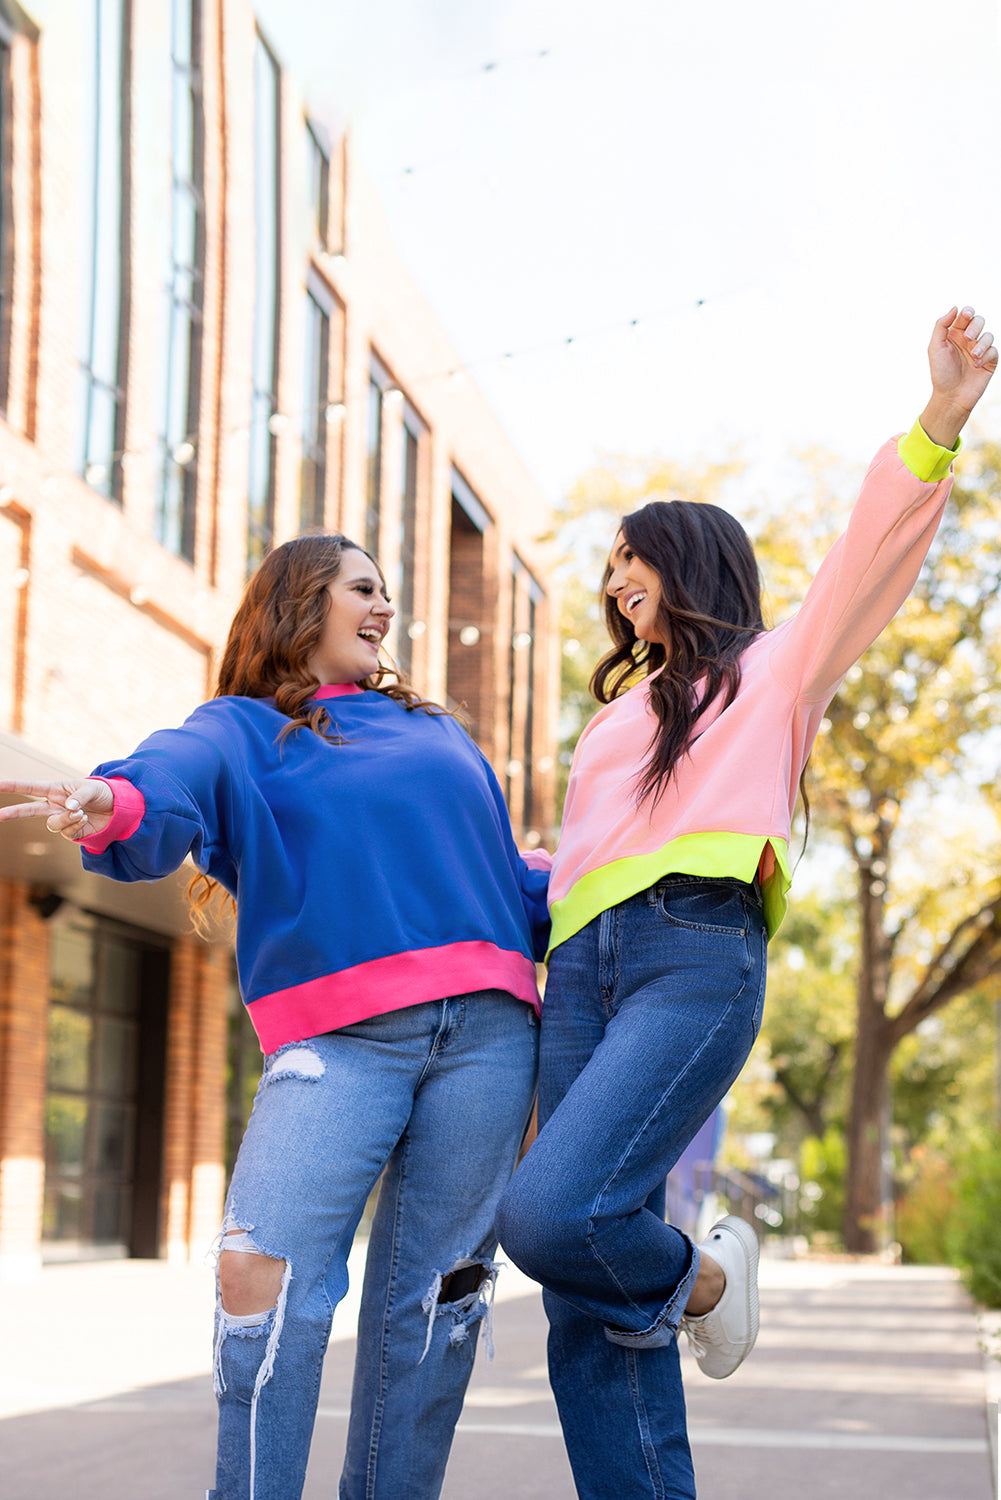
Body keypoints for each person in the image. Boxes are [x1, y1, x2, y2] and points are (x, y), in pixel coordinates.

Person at [496, 305, 997, 1499]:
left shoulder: (774, 671)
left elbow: (867, 552)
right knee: (580, 1301)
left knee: (551, 1215)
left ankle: (707, 1277)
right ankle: (678, 1337)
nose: (614, 579)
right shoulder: (615, 715)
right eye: (607, 564)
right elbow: (567, 872)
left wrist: (936, 419)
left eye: (631, 553)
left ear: (688, 557)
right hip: (579, 970)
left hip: (691, 955)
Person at [0, 533, 549, 1500]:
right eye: (364, 589)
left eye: (388, 593)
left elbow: (511, 879)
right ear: (300, 602)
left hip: (491, 1041)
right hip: (341, 1043)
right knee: (259, 1279)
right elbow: (160, 778)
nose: (385, 608)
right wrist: (109, 801)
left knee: (438, 1304)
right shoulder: (241, 729)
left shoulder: (440, 734)